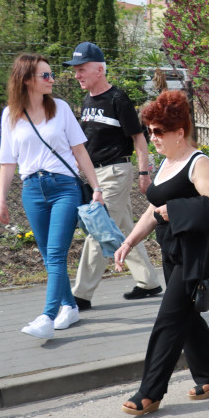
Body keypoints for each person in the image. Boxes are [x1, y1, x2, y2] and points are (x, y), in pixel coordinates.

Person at [116, 91, 209, 416]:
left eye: (158, 132)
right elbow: (154, 208)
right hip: (171, 248)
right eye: (150, 131)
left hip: (194, 251)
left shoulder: (198, 162)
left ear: (179, 132)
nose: (153, 138)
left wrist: (174, 210)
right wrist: (130, 241)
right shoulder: (167, 161)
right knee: (187, 315)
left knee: (168, 319)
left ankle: (149, 392)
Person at [0, 53, 104, 339]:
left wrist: (96, 187)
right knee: (48, 256)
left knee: (56, 253)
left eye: (51, 74)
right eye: (45, 75)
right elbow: (7, 161)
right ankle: (69, 307)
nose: (52, 79)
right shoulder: (10, 115)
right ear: (27, 79)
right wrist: (1, 200)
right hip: (32, 189)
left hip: (64, 188)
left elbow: (80, 151)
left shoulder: (61, 108)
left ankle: (47, 315)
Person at [64, 41, 162, 310]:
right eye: (75, 70)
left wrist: (144, 172)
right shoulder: (87, 100)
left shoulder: (118, 99)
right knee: (124, 229)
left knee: (98, 230)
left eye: (82, 69)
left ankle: (80, 295)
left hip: (116, 172)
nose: (77, 75)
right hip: (96, 174)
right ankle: (149, 281)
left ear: (99, 69)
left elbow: (139, 139)